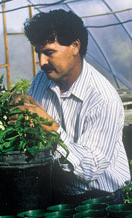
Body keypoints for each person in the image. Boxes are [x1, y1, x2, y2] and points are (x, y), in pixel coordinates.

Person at [12, 9, 131, 204]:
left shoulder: (102, 98)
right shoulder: (42, 80)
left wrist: (50, 127)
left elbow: (90, 169)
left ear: (75, 46)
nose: (42, 62)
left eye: (49, 53)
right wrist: (22, 109)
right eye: (38, 53)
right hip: (57, 194)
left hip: (100, 201)